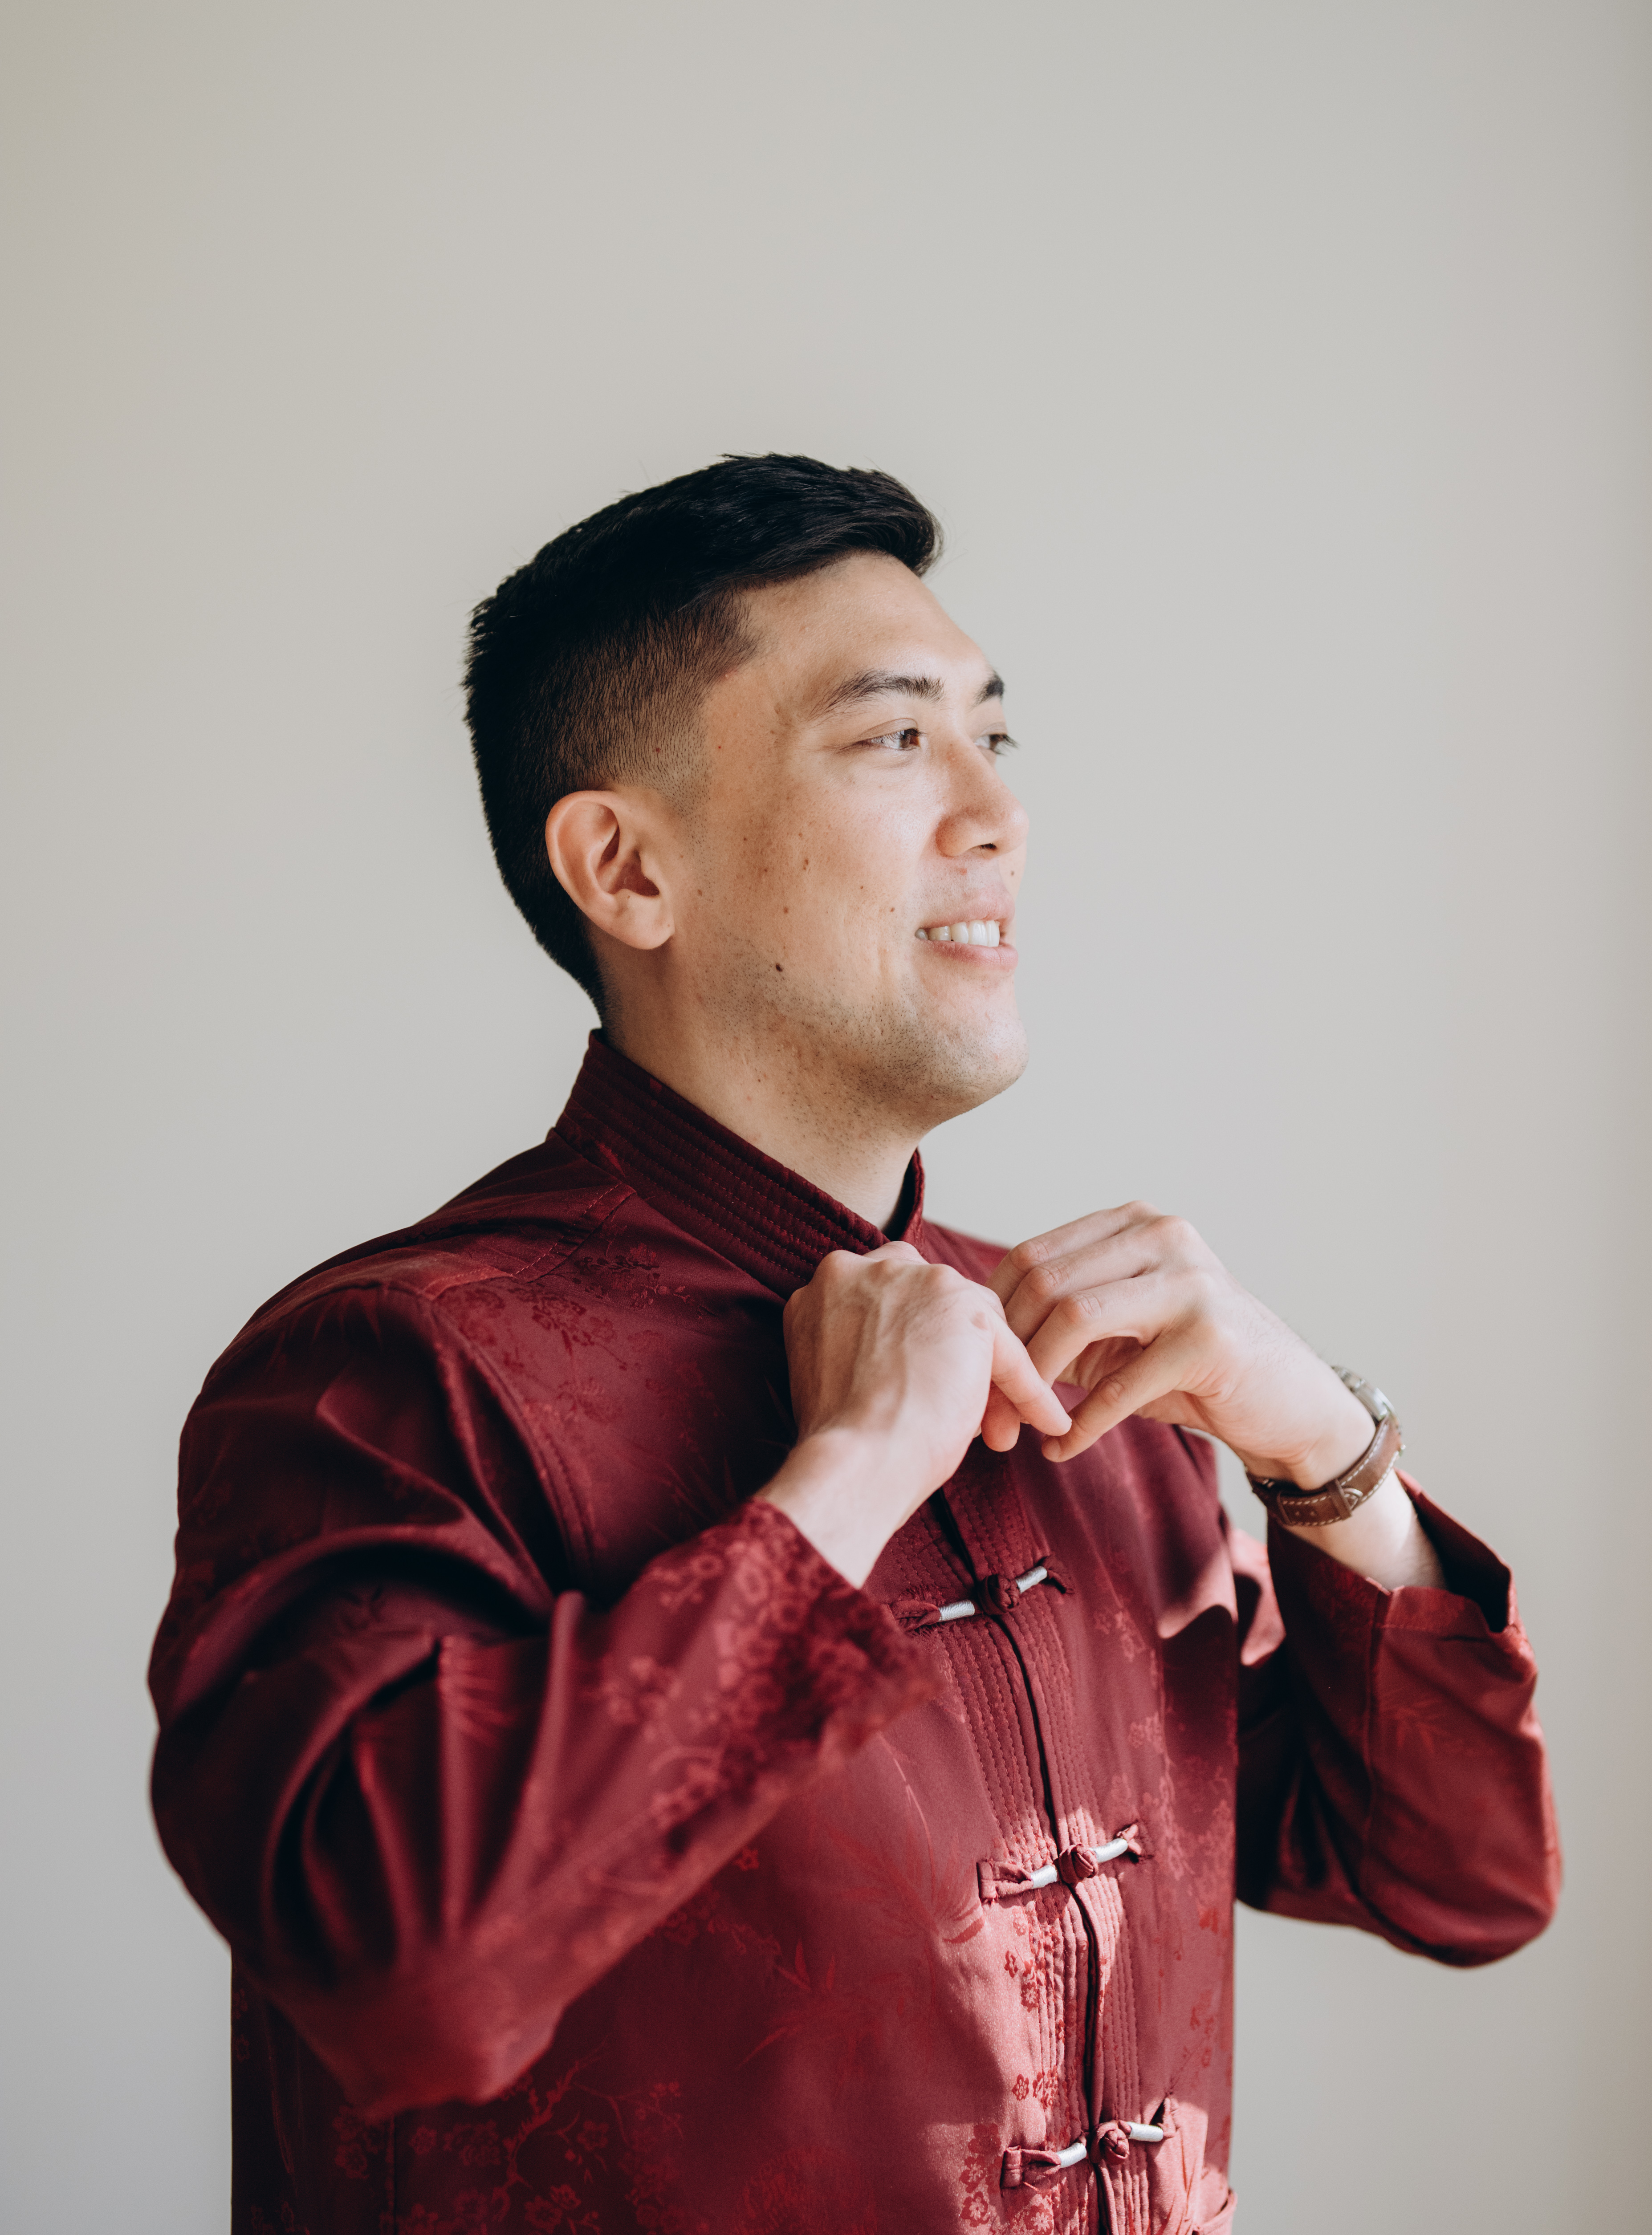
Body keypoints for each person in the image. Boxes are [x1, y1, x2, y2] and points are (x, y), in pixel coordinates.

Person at [150, 454, 1558, 2235]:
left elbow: (1458, 1880)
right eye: (896, 739)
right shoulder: (388, 1374)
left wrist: (1328, 1455)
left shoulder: (1091, 1372)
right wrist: (845, 1481)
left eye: (996, 735)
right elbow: (399, 1973)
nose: (999, 812)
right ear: (626, 867)